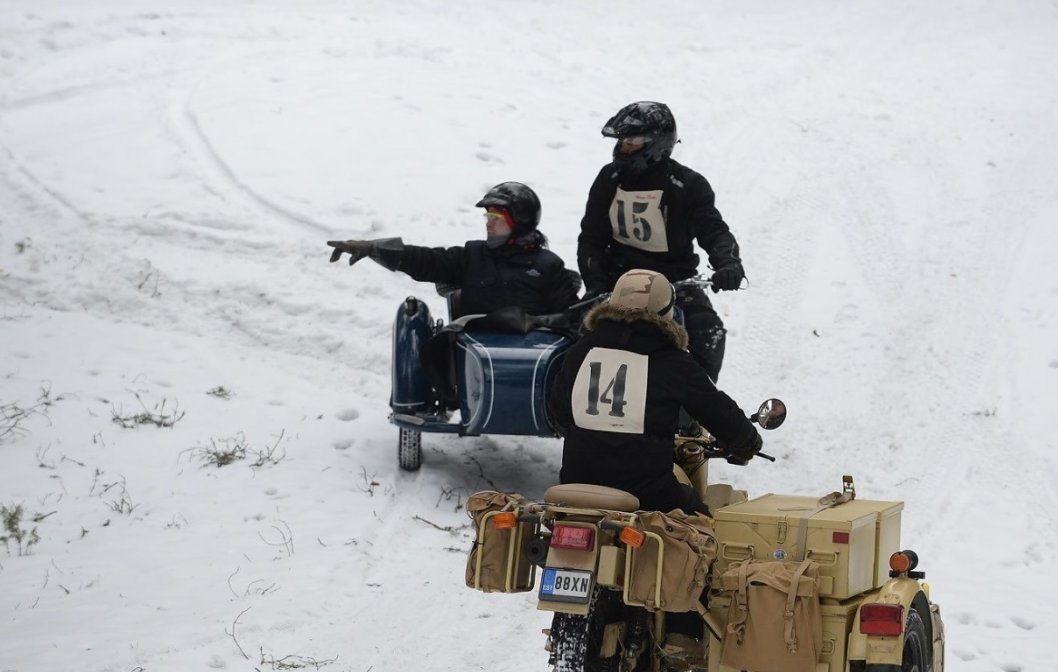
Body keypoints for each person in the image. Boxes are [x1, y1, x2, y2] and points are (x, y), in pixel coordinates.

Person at [327, 181, 581, 413]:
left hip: (531, 365)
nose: (488, 223)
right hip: (474, 356)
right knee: (418, 321)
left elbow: (570, 316)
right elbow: (428, 261)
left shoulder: (548, 265)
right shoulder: (473, 255)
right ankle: (429, 401)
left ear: (519, 222)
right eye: (487, 217)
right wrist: (374, 249)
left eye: (496, 218)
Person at [550, 269, 762, 517]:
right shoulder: (670, 360)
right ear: (667, 312)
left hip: (577, 481)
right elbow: (715, 408)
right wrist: (747, 441)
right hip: (648, 492)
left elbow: (559, 412)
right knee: (703, 525)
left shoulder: (581, 350)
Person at [577, 101, 744, 382]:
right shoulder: (609, 179)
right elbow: (591, 238)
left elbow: (714, 231)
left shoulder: (689, 185)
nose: (623, 148)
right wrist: (595, 282)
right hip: (617, 281)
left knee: (708, 332)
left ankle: (696, 403)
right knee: (577, 332)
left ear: (657, 145)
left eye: (632, 143)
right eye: (622, 142)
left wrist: (728, 263)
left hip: (675, 283)